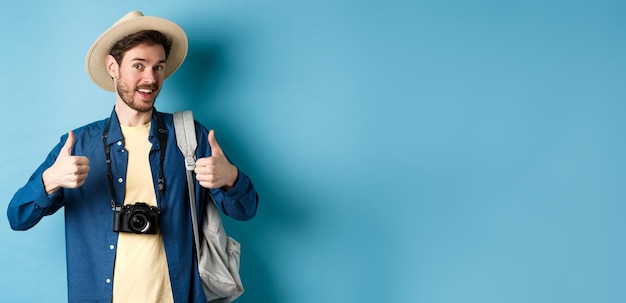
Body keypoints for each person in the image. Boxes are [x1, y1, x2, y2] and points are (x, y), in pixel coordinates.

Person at [7, 11, 258, 303]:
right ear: (113, 67)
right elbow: (18, 216)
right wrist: (50, 180)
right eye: (139, 65)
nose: (150, 78)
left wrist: (231, 179)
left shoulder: (190, 136)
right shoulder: (78, 145)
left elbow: (246, 210)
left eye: (158, 67)